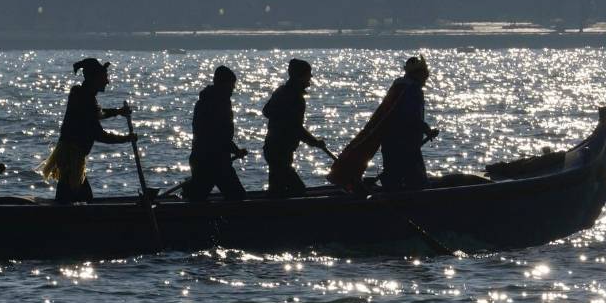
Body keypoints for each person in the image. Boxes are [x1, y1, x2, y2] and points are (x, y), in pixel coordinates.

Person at [328, 56, 440, 193]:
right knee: (416, 180)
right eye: (425, 75)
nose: (426, 79)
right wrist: (427, 129)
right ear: (418, 74)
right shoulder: (412, 90)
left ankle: (391, 195)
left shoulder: (398, 87)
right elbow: (410, 117)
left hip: (390, 141)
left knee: (393, 176)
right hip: (405, 143)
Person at [41, 58, 136, 203]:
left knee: (72, 196)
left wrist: (118, 111)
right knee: (78, 197)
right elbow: (99, 135)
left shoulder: (83, 95)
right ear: (94, 79)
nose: (107, 82)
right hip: (71, 157)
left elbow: (97, 114)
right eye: (104, 78)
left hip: (71, 155)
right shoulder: (84, 98)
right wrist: (127, 138)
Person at [262, 58, 327, 197]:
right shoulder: (295, 98)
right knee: (298, 189)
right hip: (280, 151)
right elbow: (296, 128)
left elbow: (267, 112)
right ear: (299, 76)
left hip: (273, 148)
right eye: (308, 74)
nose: (310, 77)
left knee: (276, 189)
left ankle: (273, 206)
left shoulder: (281, 92)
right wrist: (314, 142)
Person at [182, 65, 248, 202]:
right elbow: (218, 136)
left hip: (202, 158)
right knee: (238, 198)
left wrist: (234, 150)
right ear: (223, 84)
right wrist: (236, 150)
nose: (233, 88)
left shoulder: (206, 101)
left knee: (197, 198)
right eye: (231, 85)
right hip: (214, 162)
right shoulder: (218, 103)